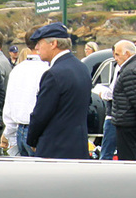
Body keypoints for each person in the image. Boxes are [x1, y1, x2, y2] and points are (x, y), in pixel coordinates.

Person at [26, 23, 91, 159]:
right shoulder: (82, 68)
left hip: (55, 148)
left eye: (39, 43)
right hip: (78, 145)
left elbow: (41, 114)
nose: (37, 48)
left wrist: (31, 139)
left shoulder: (54, 74)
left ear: (53, 43)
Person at [109, 40, 136, 161]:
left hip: (127, 121)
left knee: (127, 158)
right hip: (133, 121)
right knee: (133, 154)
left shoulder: (129, 71)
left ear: (127, 54)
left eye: (117, 54)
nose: (115, 58)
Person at [1, 38, 45, 156]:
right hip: (37, 130)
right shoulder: (46, 69)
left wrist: (8, 133)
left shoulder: (17, 69)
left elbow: (9, 106)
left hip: (20, 129)